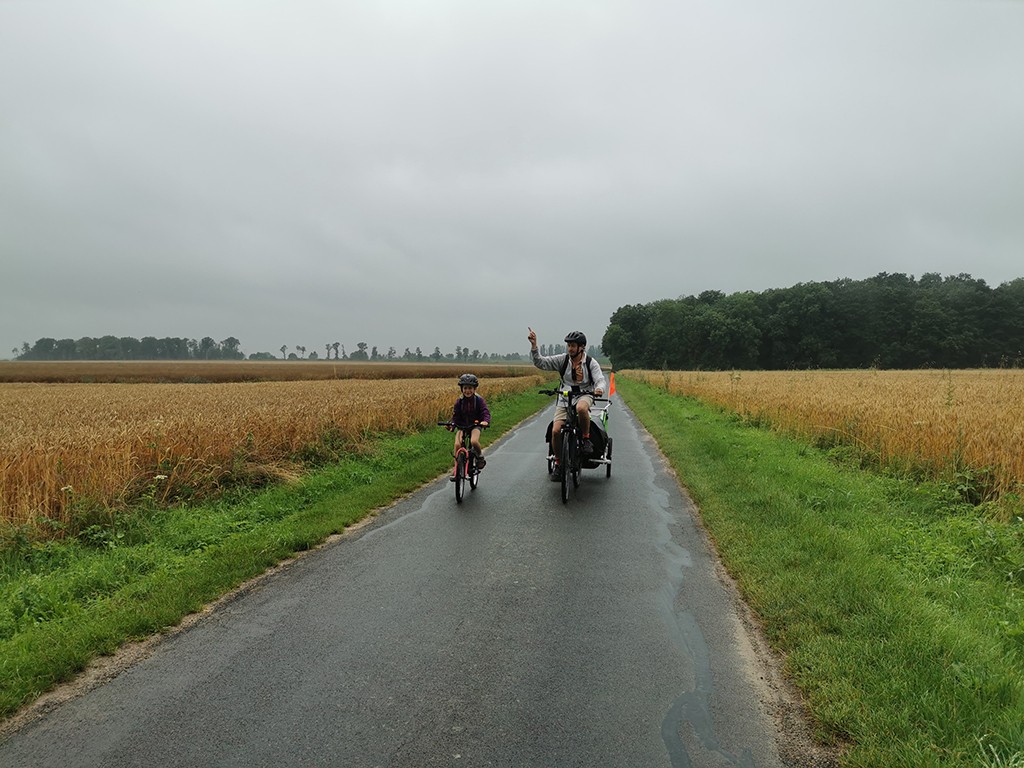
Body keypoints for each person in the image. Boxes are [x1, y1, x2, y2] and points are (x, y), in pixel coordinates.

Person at [527, 327, 606, 481]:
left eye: (573, 345)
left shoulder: (590, 362)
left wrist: (599, 389)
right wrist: (534, 345)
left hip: (585, 394)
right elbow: (540, 363)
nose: (570, 348)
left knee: (581, 408)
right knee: (556, 431)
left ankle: (586, 438)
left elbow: (600, 379)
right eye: (569, 345)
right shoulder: (562, 360)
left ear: (581, 347)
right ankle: (558, 462)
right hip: (564, 396)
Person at [448, 373, 490, 471]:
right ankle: (456, 469)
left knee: (474, 441)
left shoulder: (479, 400)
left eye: (470, 388)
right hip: (462, 425)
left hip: (476, 425)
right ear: (461, 389)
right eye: (465, 388)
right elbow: (455, 416)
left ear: (475, 389)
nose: (467, 391)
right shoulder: (459, 402)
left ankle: (479, 457)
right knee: (457, 445)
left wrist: (485, 421)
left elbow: (485, 412)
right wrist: (452, 425)